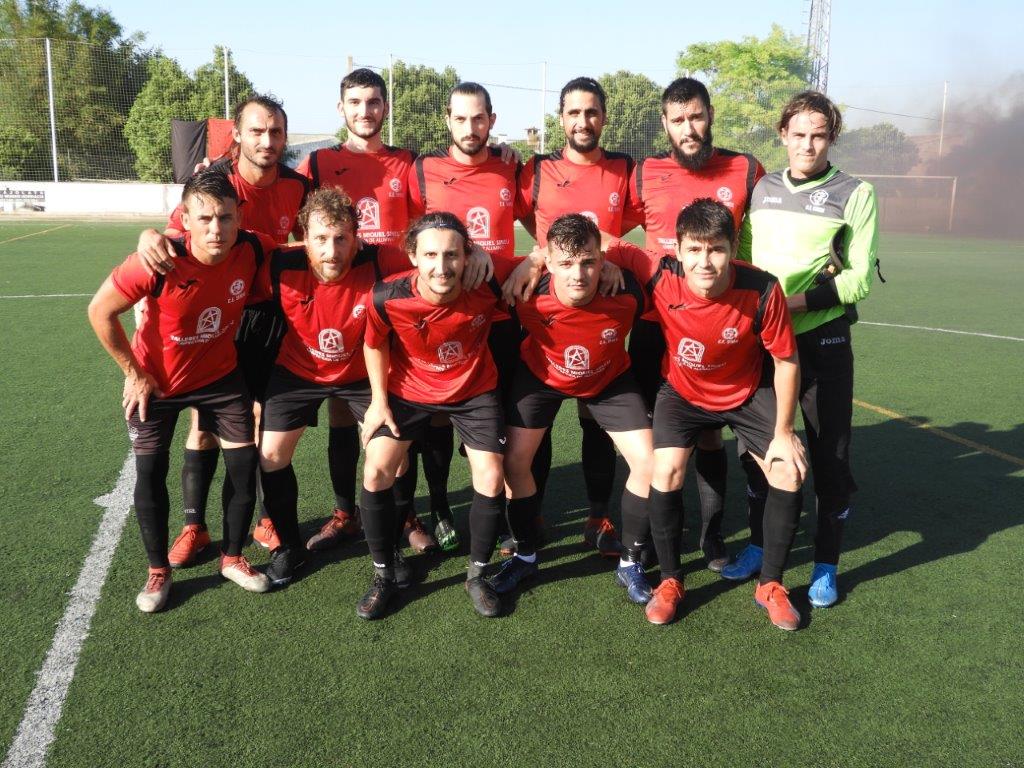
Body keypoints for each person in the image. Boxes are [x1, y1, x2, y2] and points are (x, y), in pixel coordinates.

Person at [607, 198, 808, 629]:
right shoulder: (659, 273)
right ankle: (670, 581)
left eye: (716, 249)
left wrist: (785, 431)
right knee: (665, 471)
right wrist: (536, 260)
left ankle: (771, 585)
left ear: (732, 248)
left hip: (746, 392)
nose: (705, 262)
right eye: (694, 250)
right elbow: (603, 243)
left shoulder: (762, 288)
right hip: (682, 393)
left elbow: (786, 360)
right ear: (678, 250)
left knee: (788, 471)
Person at [87, 171, 278, 612]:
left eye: (225, 217)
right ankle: (159, 571)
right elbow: (99, 311)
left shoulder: (253, 247)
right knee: (150, 473)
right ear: (185, 220)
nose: (216, 229)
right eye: (205, 218)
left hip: (220, 379)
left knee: (243, 467)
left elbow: (301, 252)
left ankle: (232, 557)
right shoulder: (157, 259)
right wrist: (134, 374)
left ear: (239, 217)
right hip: (156, 383)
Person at [133, 95, 310, 566]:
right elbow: (174, 236)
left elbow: (302, 244)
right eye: (256, 131)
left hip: (270, 317)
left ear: (285, 137)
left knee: (263, 422)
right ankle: (195, 526)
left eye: (275, 132)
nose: (267, 140)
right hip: (217, 314)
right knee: (204, 425)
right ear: (237, 134)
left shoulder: (298, 185)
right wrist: (147, 236)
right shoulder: (215, 181)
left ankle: (267, 519)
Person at [737, 91, 880, 608]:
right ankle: (759, 546)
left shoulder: (856, 193)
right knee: (758, 453)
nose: (808, 145)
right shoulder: (763, 189)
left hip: (823, 339)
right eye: (798, 134)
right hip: (766, 344)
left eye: (819, 135)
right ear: (783, 135)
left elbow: (859, 279)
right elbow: (746, 259)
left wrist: (788, 303)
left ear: (832, 137)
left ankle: (825, 564)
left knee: (830, 457)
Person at [629, 77, 767, 572]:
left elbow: (767, 236)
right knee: (652, 438)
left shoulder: (746, 169)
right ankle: (649, 535)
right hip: (656, 322)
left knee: (710, 436)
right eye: (678, 120)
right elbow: (602, 226)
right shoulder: (644, 173)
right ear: (665, 124)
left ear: (710, 115)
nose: (689, 129)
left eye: (697, 117)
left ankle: (711, 536)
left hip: (723, 324)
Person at [357, 212, 516, 620]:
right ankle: (384, 574)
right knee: (376, 470)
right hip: (408, 391)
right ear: (412, 255)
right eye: (430, 255)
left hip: (473, 391)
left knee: (491, 477)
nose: (441, 267)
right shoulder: (386, 296)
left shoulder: (487, 283)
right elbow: (374, 344)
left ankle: (477, 576)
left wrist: (519, 261)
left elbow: (541, 261)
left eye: (451, 255)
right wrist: (378, 401)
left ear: (467, 256)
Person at [491, 214, 655, 604]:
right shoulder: (524, 288)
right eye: (565, 263)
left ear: (602, 260)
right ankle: (526, 555)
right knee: (514, 460)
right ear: (547, 261)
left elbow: (659, 266)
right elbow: (468, 261)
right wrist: (527, 261)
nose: (577, 274)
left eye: (588, 262)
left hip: (609, 378)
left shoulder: (629, 291)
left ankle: (630, 562)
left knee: (650, 463)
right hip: (540, 377)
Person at [297, 68, 427, 552]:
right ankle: (343, 513)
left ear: (385, 108)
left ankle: (405, 513)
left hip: (395, 301)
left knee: (394, 409)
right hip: (340, 300)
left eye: (373, 102)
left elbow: (429, 223)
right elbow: (290, 213)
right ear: (341, 109)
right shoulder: (318, 162)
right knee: (339, 411)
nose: (364, 111)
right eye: (355, 102)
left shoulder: (408, 162)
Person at [516, 76, 643, 556]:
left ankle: (597, 514)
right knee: (539, 418)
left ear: (604, 117)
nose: (583, 121)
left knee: (595, 414)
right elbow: (526, 222)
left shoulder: (625, 169)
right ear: (561, 118)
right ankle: (533, 513)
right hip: (550, 303)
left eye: (591, 112)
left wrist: (610, 257)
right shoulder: (537, 169)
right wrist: (538, 258)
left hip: (601, 303)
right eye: (573, 112)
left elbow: (637, 227)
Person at [407, 81, 530, 550]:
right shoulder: (425, 170)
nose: (470, 127)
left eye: (479, 118)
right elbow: (410, 236)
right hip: (442, 316)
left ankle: (507, 515)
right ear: (447, 120)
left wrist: (535, 259)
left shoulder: (511, 166)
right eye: (460, 118)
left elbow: (541, 224)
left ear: (492, 121)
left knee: (503, 416)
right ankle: (439, 506)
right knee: (437, 418)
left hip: (499, 313)